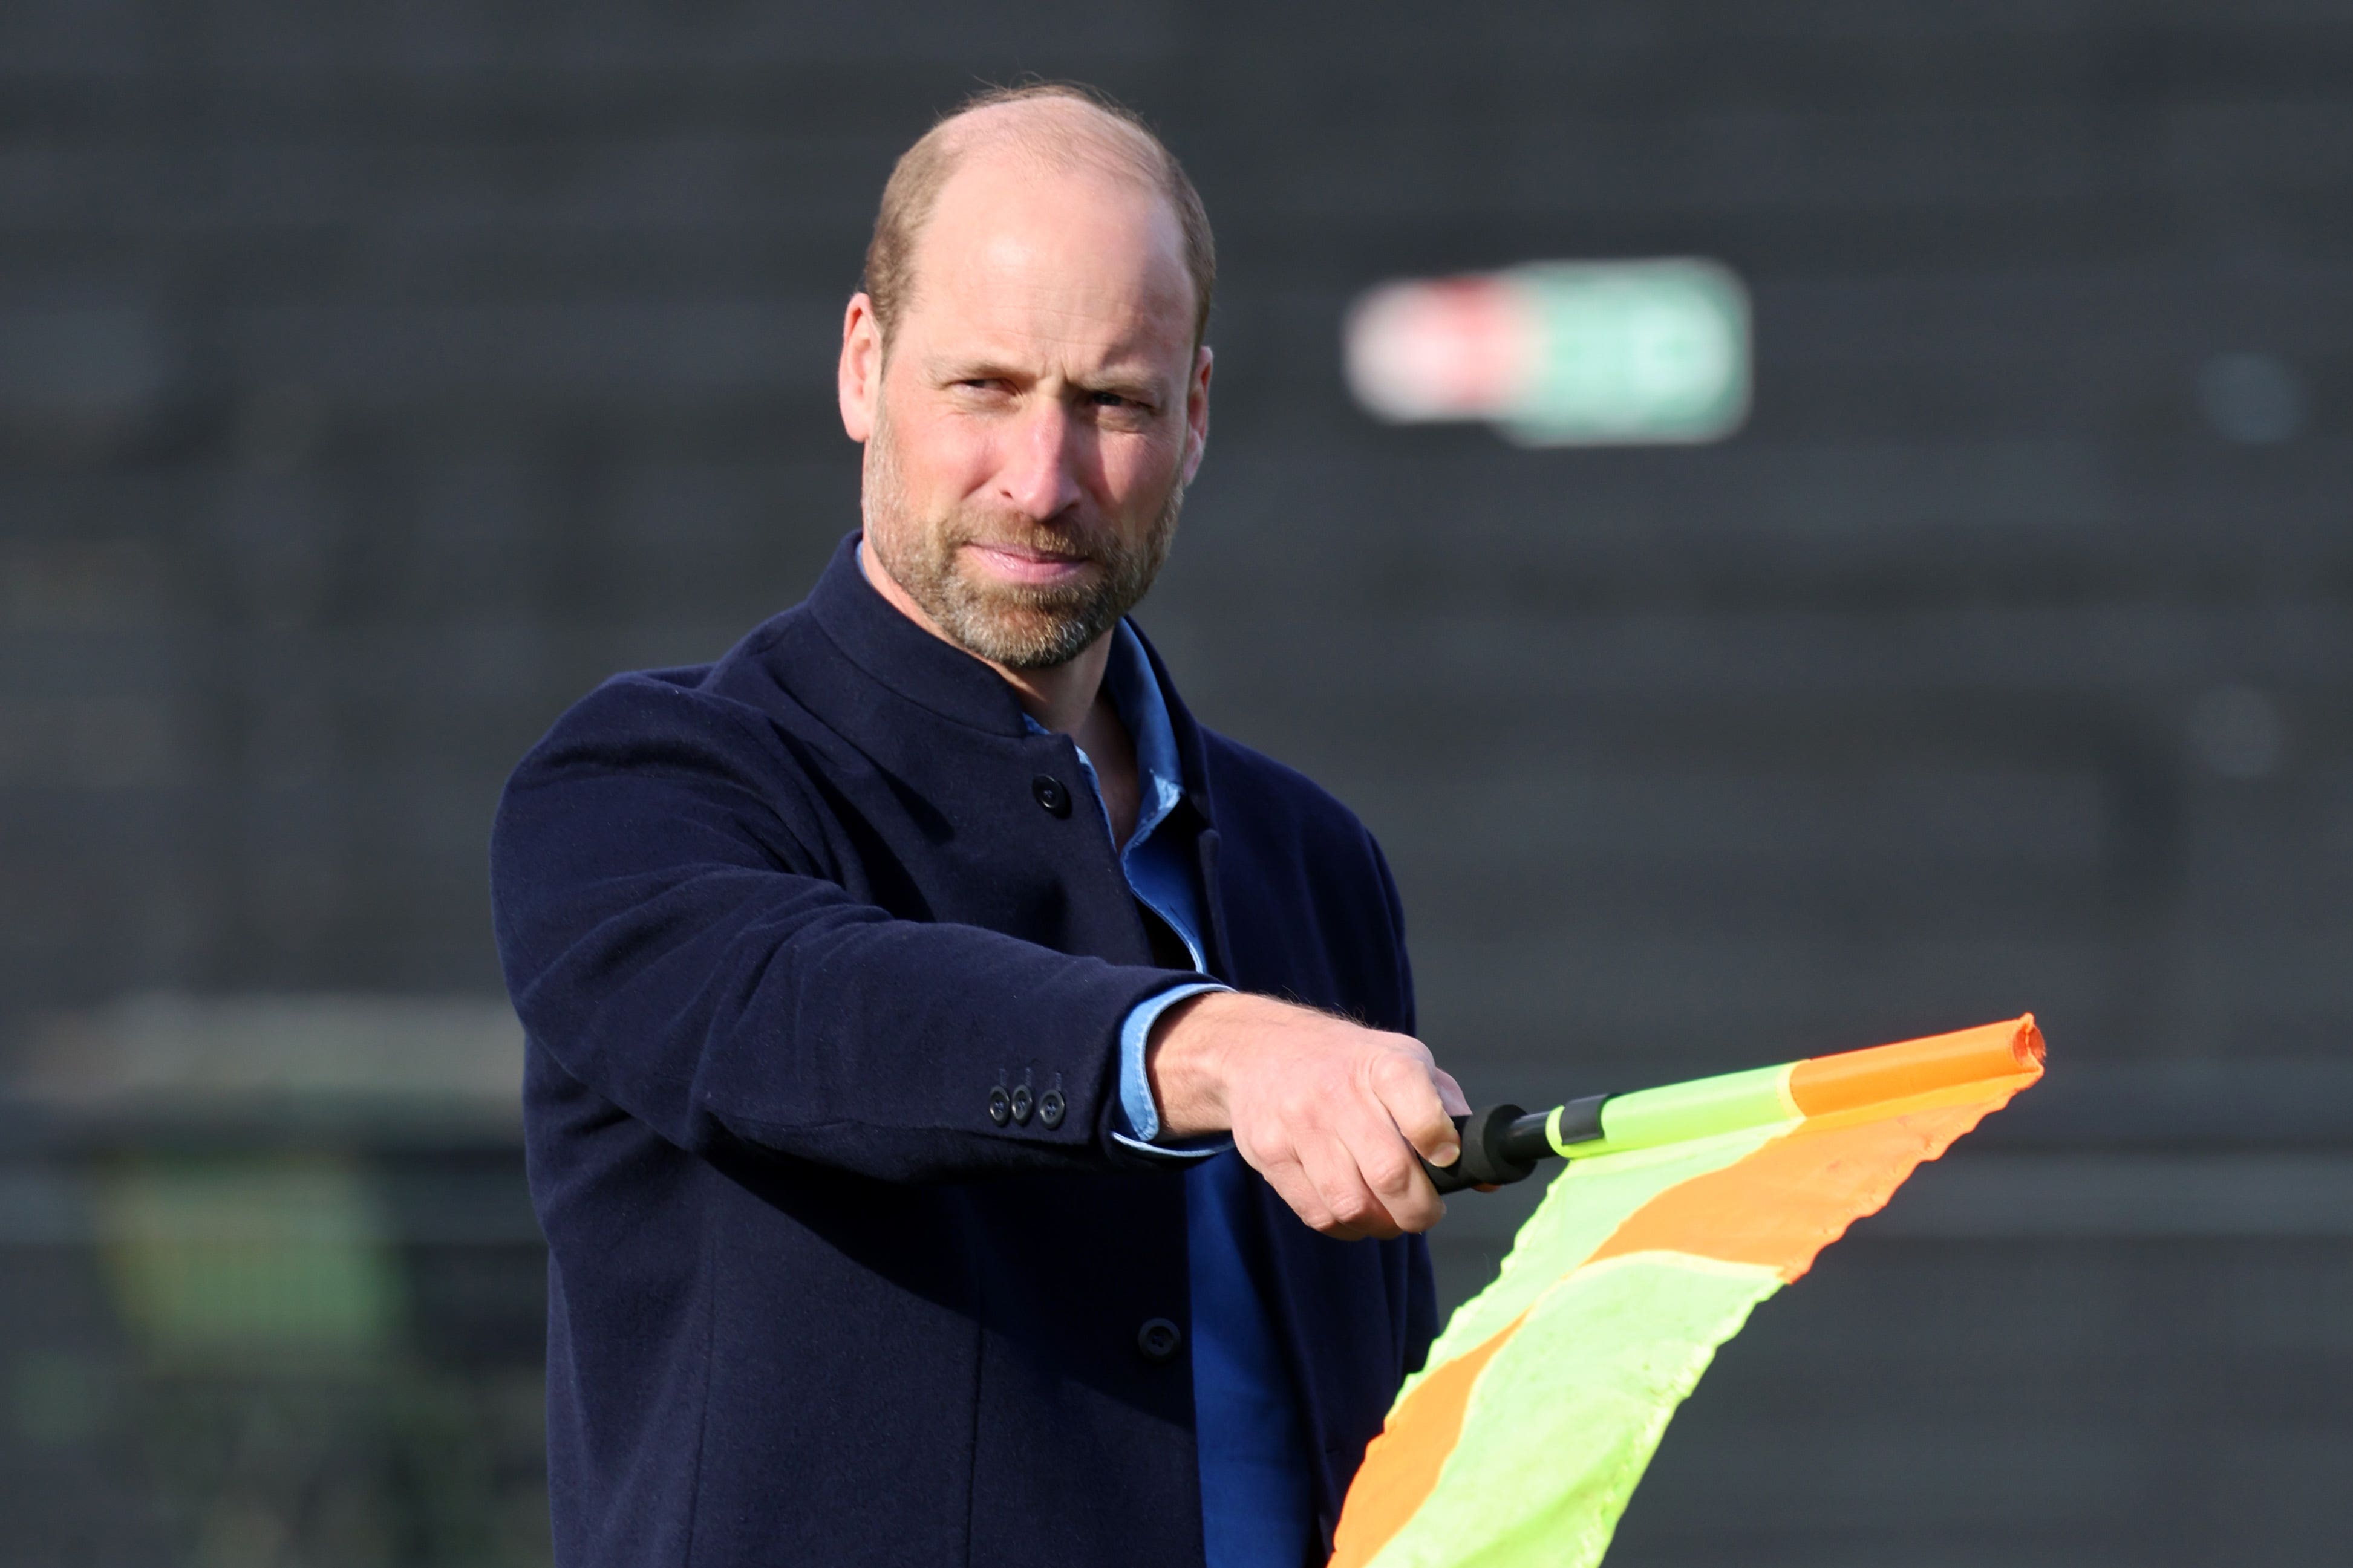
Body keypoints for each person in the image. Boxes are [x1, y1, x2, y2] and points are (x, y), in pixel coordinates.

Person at [490, 82, 1469, 1568]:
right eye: (986, 388)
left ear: (1195, 414)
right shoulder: (641, 789)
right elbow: (814, 1009)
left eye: (1112, 402)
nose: (1044, 478)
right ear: (863, 367)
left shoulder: (1310, 863)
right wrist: (1205, 1048)